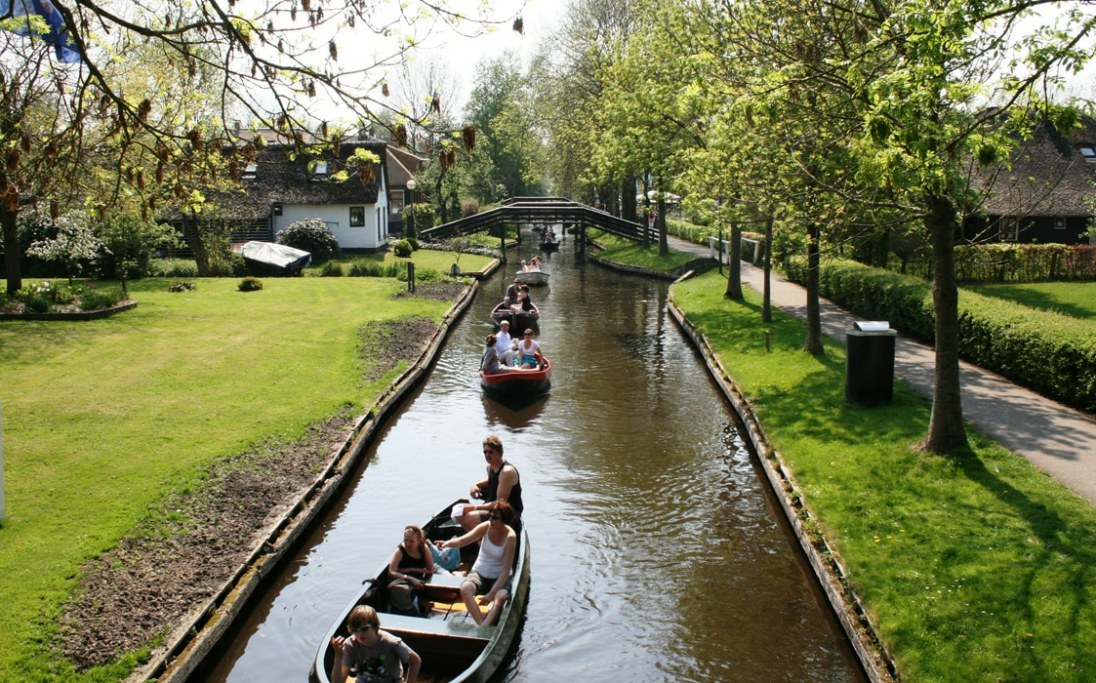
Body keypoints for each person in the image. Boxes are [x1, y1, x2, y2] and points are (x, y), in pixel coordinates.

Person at [440, 501, 518, 626]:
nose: (490, 520)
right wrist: (447, 544)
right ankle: (482, 625)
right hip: (480, 572)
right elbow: (462, 541)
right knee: (465, 589)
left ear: (504, 521)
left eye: (494, 518)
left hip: (499, 576)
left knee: (500, 597)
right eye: (490, 516)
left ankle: (484, 626)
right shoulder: (486, 526)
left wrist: (491, 594)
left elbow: (506, 571)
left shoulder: (510, 537)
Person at [330, 605, 421, 683]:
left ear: (375, 626)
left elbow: (415, 661)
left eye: (364, 629)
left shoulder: (391, 643)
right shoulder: (350, 644)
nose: (359, 634)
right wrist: (338, 655)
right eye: (354, 631)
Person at [457, 435, 524, 533]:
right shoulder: (490, 467)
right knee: (458, 511)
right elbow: (490, 479)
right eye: (485, 452)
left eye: (491, 452)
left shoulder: (507, 472)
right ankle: (479, 540)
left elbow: (499, 503)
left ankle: (482, 541)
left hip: (507, 514)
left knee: (470, 517)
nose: (487, 455)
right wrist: (476, 485)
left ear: (499, 453)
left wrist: (474, 507)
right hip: (492, 509)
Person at [386, 524, 435, 615]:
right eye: (406, 540)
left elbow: (430, 570)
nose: (407, 544)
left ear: (419, 540)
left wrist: (410, 569)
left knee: (449, 595)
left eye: (411, 541)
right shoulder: (400, 550)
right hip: (403, 579)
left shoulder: (424, 548)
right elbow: (391, 572)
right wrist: (411, 578)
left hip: (418, 578)